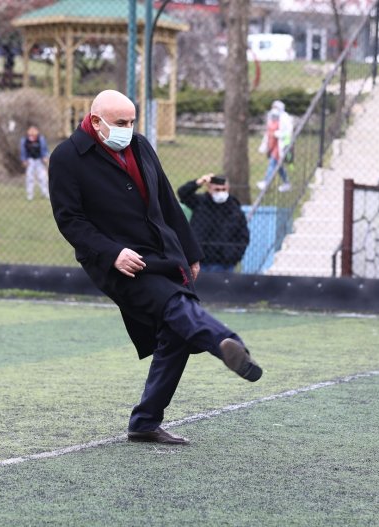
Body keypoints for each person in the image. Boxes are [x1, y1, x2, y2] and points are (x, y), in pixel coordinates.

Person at [48, 90, 262, 445]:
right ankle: (226, 342)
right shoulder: (67, 157)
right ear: (96, 121)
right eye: (120, 123)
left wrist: (190, 252)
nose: (128, 130)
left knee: (175, 335)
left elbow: (166, 200)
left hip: (165, 253)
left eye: (132, 122)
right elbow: (70, 220)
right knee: (176, 306)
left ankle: (145, 422)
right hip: (119, 264)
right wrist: (112, 252)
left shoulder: (141, 145)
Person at [177, 173, 250, 272]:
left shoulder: (235, 209)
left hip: (224, 264)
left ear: (228, 189)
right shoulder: (200, 202)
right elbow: (183, 193)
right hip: (200, 262)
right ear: (209, 189)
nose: (221, 192)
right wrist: (199, 182)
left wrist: (233, 256)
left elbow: (243, 237)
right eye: (217, 189)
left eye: (224, 189)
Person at [257, 100, 293, 192]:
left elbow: (288, 132)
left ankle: (266, 182)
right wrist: (264, 145)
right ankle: (287, 183)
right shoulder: (271, 117)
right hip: (272, 144)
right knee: (279, 166)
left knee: (272, 163)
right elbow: (268, 132)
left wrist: (278, 134)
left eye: (276, 107)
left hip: (281, 145)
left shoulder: (285, 118)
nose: (274, 109)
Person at [20, 125, 50, 200]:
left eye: (34, 131)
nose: (32, 133)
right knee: (30, 178)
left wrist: (45, 157)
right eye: (31, 131)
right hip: (30, 161)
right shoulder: (25, 140)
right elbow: (23, 151)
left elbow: (45, 150)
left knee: (42, 177)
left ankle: (45, 193)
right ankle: (30, 195)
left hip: (39, 160)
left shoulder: (41, 139)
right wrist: (24, 160)